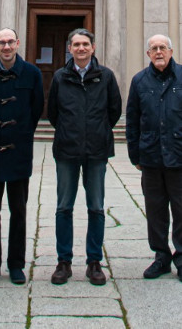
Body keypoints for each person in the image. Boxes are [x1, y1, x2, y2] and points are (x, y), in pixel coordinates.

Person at [125, 34, 182, 285]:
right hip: (151, 157)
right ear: (148, 54)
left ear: (171, 51)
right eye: (154, 48)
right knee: (156, 211)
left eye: (163, 48)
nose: (159, 52)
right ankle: (161, 256)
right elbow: (132, 120)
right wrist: (135, 155)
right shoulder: (139, 80)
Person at [47, 27, 122, 287]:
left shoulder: (106, 76)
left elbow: (114, 111)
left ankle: (94, 262)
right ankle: (63, 262)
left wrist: (97, 132)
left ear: (93, 48)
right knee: (63, 207)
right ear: (70, 48)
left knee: (96, 208)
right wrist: (70, 132)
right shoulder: (59, 77)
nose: (80, 49)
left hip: (96, 151)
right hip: (67, 150)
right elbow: (53, 113)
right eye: (76, 44)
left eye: (85, 44)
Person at [0, 27, 44, 285]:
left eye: (10, 42)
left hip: (18, 152)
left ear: (18, 43)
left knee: (19, 210)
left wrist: (20, 132)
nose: (6, 47)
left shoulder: (33, 74)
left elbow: (36, 108)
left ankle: (16, 265)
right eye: (1, 42)